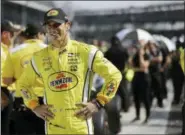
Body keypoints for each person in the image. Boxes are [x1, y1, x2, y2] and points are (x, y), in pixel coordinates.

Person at [17, 8, 122, 134]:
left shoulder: (86, 52)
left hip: (80, 124)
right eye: (48, 25)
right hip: (54, 125)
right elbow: (23, 85)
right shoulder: (39, 57)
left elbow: (114, 75)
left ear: (68, 25)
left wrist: (98, 103)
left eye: (56, 24)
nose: (52, 29)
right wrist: (34, 106)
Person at [2, 23, 47, 134]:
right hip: (47, 100)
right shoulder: (52, 50)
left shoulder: (14, 52)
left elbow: (6, 80)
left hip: (22, 101)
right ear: (39, 35)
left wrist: (18, 76)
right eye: (44, 34)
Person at [130, 40, 151, 123]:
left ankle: (147, 116)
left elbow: (144, 66)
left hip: (144, 79)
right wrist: (133, 55)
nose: (139, 47)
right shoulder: (135, 55)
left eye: (141, 45)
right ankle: (137, 115)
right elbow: (130, 66)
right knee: (136, 98)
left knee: (145, 98)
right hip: (136, 78)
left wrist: (140, 55)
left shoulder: (146, 55)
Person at [148, 41, 164, 107]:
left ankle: (160, 102)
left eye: (152, 45)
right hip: (150, 72)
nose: (151, 46)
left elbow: (160, 59)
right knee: (150, 88)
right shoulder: (148, 52)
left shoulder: (158, 51)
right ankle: (150, 102)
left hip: (157, 72)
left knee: (159, 87)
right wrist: (155, 59)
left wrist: (152, 60)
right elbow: (149, 60)